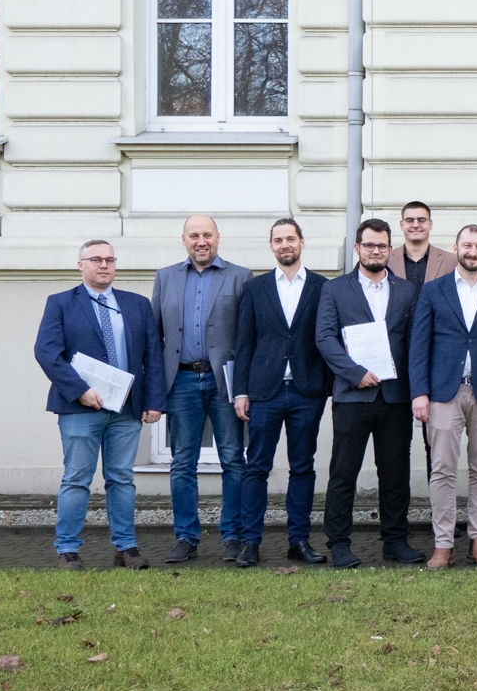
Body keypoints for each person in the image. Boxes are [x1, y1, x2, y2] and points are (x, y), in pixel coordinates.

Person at [37, 240, 166, 569]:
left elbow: (153, 355)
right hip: (80, 408)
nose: (104, 265)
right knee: (77, 478)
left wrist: (154, 400)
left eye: (110, 259)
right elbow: (47, 352)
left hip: (126, 409)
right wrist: (80, 390)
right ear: (81, 264)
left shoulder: (137, 304)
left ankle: (126, 547)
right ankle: (68, 549)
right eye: (96, 259)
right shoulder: (61, 303)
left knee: (122, 478)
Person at [409, 225, 477, 569]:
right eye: (467, 245)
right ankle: (443, 544)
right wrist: (419, 393)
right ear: (456, 248)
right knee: (442, 469)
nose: (473, 251)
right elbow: (419, 345)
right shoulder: (433, 290)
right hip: (444, 392)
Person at [314, 219, 424, 568]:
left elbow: (414, 342)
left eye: (382, 245)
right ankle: (339, 544)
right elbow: (324, 338)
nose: (376, 251)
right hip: (352, 395)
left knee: (395, 475)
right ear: (357, 248)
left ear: (390, 249)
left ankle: (395, 541)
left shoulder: (407, 290)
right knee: (343, 473)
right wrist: (355, 373)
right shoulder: (335, 289)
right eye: (369, 245)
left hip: (395, 396)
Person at [230, 217, 331, 567]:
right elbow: (244, 343)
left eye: (290, 238)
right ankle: (250, 542)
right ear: (271, 246)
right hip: (264, 391)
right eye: (278, 240)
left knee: (303, 467)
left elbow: (329, 339)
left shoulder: (323, 287)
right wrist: (240, 391)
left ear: (302, 242)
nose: (285, 245)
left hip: (307, 391)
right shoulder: (254, 289)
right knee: (256, 467)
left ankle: (298, 541)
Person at [152, 214, 253, 564]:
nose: (201, 241)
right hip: (180, 380)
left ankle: (233, 536)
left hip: (224, 379)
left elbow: (248, 334)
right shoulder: (165, 277)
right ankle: (186, 537)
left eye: (207, 235)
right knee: (183, 462)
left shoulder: (240, 276)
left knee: (233, 460)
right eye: (194, 235)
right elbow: (155, 334)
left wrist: (245, 385)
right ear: (184, 240)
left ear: (217, 238)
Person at [398, 201, 456, 288]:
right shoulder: (387, 260)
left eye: (421, 220)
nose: (415, 225)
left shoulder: (451, 261)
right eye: (409, 220)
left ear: (430, 224)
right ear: (401, 225)